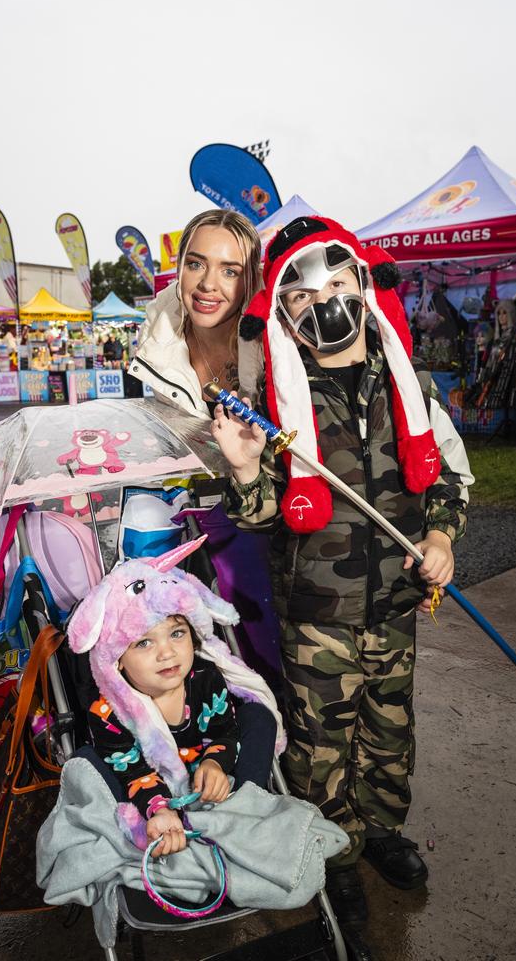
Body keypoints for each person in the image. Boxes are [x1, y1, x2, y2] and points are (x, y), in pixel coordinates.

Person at [211, 216, 474, 927]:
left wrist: (443, 540)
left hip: (395, 602)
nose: (321, 300)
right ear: (283, 315)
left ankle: (381, 831)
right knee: (320, 746)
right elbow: (263, 515)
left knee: (389, 734)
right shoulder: (273, 410)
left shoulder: (408, 386)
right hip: (317, 615)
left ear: (362, 284)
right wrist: (242, 466)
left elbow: (447, 482)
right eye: (299, 293)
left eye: (334, 282)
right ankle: (334, 853)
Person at [67, 538, 283, 856]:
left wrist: (215, 764)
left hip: (215, 784)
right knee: (88, 762)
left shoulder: (204, 678)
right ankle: (160, 833)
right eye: (143, 643)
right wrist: (159, 810)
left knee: (258, 717)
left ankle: (250, 803)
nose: (166, 653)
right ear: (117, 659)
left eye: (177, 634)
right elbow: (131, 771)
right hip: (151, 790)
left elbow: (223, 732)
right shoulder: (110, 711)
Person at [129, 209, 262, 418]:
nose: (208, 284)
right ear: (179, 269)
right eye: (196, 264)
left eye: (230, 272)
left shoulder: (275, 345)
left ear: (250, 281)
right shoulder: (158, 338)